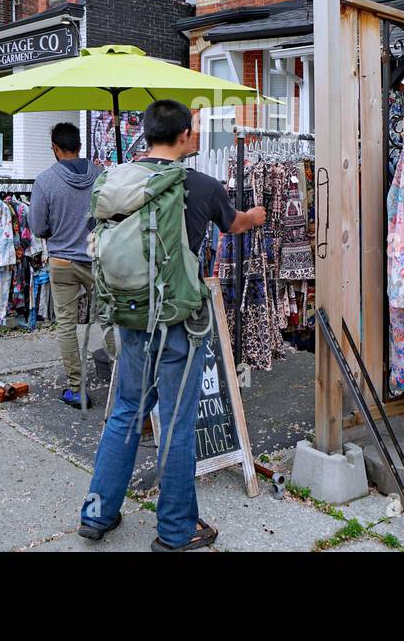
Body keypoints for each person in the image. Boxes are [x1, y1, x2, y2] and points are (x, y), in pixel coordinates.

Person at [78, 99, 265, 551]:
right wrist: (256, 217)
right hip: (178, 323)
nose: (197, 135)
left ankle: (97, 513)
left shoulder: (118, 180)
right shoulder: (200, 184)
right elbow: (235, 224)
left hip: (130, 316)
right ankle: (177, 531)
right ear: (182, 135)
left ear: (146, 134)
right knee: (177, 424)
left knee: (126, 412)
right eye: (195, 129)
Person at [29, 121, 116, 409]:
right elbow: (112, 217)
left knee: (66, 325)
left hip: (63, 262)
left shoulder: (45, 181)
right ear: (80, 145)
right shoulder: (101, 176)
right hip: (98, 260)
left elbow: (38, 226)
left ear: (55, 148)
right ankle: (125, 383)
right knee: (108, 319)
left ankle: (77, 390)